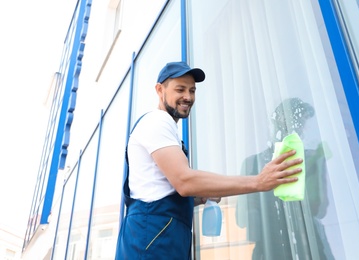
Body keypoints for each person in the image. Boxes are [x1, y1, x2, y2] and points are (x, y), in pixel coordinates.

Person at [114, 61, 303, 260]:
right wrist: (258, 181)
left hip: (159, 241)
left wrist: (197, 198)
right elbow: (184, 181)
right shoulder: (157, 121)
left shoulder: (167, 131)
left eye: (192, 90)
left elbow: (158, 190)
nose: (188, 97)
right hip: (150, 243)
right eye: (180, 89)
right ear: (160, 90)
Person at [236, 98, 334, 259]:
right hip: (272, 249)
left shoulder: (310, 158)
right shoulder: (253, 163)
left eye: (301, 123)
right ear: (277, 121)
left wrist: (315, 165)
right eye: (296, 121)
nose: (300, 128)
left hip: (310, 246)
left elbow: (320, 209)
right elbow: (243, 219)